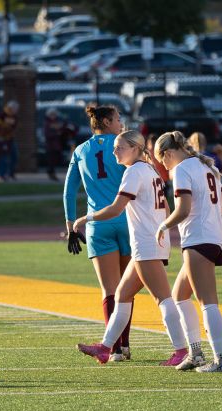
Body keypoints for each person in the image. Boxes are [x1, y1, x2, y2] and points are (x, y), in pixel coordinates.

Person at [74, 130, 188, 366]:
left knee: (163, 299)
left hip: (146, 244)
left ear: (135, 149)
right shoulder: (149, 169)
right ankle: (106, 348)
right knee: (122, 295)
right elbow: (165, 208)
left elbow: (116, 209)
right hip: (147, 243)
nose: (114, 151)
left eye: (119, 147)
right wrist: (162, 233)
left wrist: (86, 218)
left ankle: (182, 350)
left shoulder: (135, 171)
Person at [154, 131, 222, 373]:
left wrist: (164, 225)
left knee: (208, 302)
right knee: (180, 294)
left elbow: (184, 209)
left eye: (162, 161)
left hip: (198, 239)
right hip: (213, 237)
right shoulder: (207, 166)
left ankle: (221, 360)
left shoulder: (182, 170)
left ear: (167, 154)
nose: (164, 167)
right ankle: (196, 352)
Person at [63, 104, 134, 362]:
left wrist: (71, 225)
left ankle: (113, 348)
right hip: (127, 220)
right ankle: (124, 346)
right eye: (117, 119)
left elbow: (69, 191)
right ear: (105, 121)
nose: (120, 123)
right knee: (127, 289)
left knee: (110, 290)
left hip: (97, 224)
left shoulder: (81, 150)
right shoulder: (124, 144)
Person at [0, 100, 19, 182]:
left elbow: (12, 127)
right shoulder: (1, 115)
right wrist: (6, 128)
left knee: (14, 156)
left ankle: (11, 174)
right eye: (15, 109)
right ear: (11, 108)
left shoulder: (14, 117)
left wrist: (8, 129)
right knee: (3, 157)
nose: (16, 111)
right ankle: (1, 176)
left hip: (9, 139)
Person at [44, 108, 76, 182]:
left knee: (56, 159)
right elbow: (47, 134)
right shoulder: (47, 123)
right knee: (51, 160)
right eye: (52, 114)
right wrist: (57, 134)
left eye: (54, 114)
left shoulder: (57, 122)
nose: (53, 116)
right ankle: (51, 173)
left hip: (57, 144)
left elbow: (62, 130)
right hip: (50, 145)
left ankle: (51, 172)